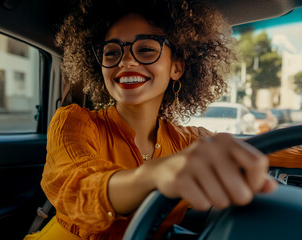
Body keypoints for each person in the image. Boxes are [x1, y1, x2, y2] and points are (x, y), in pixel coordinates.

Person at [24, 0, 281, 239]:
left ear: (176, 68)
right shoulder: (73, 122)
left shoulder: (189, 141)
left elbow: (269, 147)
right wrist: (153, 176)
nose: (125, 61)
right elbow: (76, 188)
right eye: (111, 53)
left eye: (146, 49)